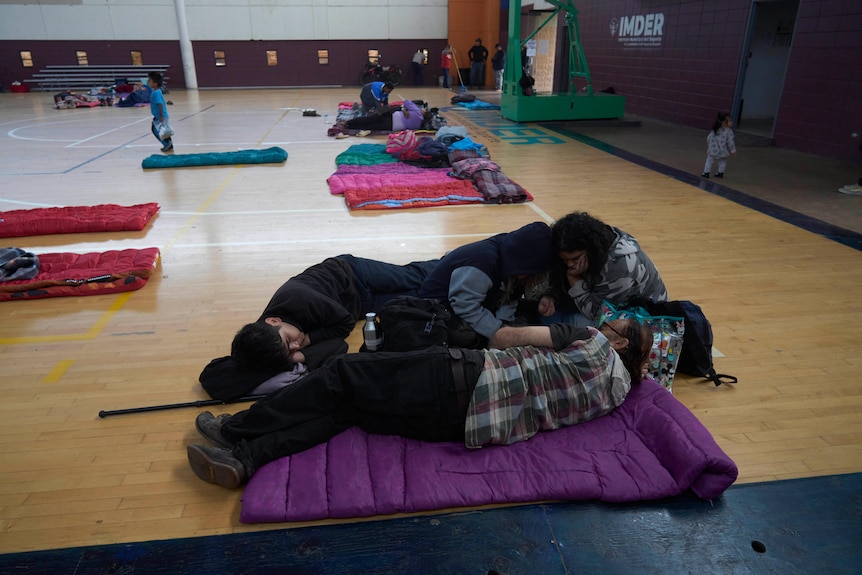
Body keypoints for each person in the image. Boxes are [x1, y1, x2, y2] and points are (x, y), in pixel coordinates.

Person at [187, 318, 653, 488]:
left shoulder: (592, 340)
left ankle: (234, 430)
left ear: (622, 343)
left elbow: (504, 336)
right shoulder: (615, 394)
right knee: (350, 408)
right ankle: (245, 460)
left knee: (343, 372)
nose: (608, 320)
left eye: (619, 323)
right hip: (470, 426)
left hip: (464, 377)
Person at [199, 254, 439, 400]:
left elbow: (343, 323)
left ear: (273, 321)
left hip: (354, 274)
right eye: (290, 350)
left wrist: (308, 342)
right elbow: (339, 344)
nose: (295, 343)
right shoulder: (267, 341)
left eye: (288, 339)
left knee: (415, 276)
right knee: (424, 295)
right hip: (357, 305)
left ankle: (451, 262)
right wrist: (299, 355)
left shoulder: (298, 298)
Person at [418, 221, 553, 349]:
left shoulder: (514, 267)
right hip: (437, 309)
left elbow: (510, 299)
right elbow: (464, 305)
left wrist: (505, 326)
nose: (534, 280)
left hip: (476, 301)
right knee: (466, 336)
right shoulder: (484, 263)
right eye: (533, 275)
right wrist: (497, 333)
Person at [533, 212, 668, 327]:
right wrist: (551, 295)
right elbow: (559, 280)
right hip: (610, 304)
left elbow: (597, 314)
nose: (569, 265)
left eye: (575, 259)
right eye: (564, 260)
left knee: (563, 326)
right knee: (548, 314)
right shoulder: (598, 244)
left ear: (591, 249)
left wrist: (574, 280)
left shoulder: (620, 265)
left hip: (644, 319)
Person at [344, 99, 427, 133]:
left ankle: (348, 122)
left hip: (390, 116)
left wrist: (404, 109)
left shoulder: (417, 111)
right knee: (369, 126)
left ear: (424, 113)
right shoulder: (418, 126)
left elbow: (406, 101)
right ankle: (349, 126)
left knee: (368, 119)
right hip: (391, 126)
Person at [702, 112, 736, 179]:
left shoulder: (715, 129)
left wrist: (710, 145)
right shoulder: (729, 132)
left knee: (709, 160)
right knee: (722, 161)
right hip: (723, 150)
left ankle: (706, 173)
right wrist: (733, 150)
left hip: (713, 150)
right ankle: (720, 173)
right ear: (724, 122)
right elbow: (730, 142)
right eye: (730, 121)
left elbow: (709, 138)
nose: (732, 122)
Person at [148, 71, 172, 152]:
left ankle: (166, 144)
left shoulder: (156, 93)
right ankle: (169, 144)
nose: (148, 82)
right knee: (164, 130)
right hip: (161, 115)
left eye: (149, 81)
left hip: (160, 116)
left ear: (155, 83)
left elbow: (160, 104)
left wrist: (161, 116)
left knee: (156, 130)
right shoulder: (157, 91)